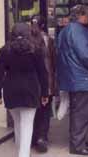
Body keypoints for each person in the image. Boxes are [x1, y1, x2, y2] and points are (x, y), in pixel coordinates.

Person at [57, 5, 88, 156]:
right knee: (82, 113)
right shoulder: (79, 31)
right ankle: (77, 145)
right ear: (79, 16)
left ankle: (78, 140)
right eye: (87, 15)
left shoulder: (66, 31)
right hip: (84, 79)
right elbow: (87, 55)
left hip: (74, 78)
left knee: (78, 111)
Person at [0, 23, 49, 157]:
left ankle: (21, 152)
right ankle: (23, 154)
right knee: (27, 125)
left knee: (18, 124)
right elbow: (43, 73)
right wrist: (45, 93)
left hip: (10, 90)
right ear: (28, 34)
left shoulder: (4, 50)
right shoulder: (36, 49)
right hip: (31, 90)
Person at [30, 15, 57, 153]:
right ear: (43, 26)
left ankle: (32, 138)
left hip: (31, 83)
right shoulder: (49, 40)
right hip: (46, 81)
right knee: (45, 111)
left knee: (32, 110)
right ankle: (42, 137)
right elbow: (53, 63)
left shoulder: (27, 40)